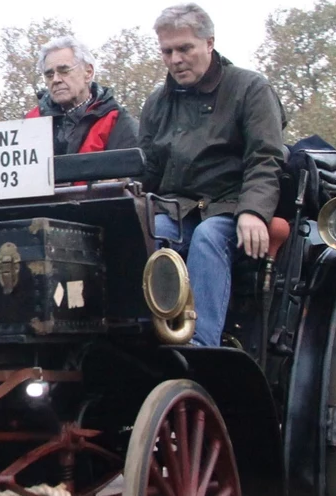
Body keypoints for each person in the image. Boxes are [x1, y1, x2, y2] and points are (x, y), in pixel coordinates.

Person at [139, 3, 285, 346]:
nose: (175, 59)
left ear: (209, 43)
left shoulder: (250, 88)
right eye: (167, 51)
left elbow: (266, 158)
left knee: (208, 237)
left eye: (184, 48)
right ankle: (141, 337)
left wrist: (253, 211)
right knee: (149, 234)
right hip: (176, 210)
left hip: (230, 209)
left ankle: (202, 344)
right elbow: (146, 169)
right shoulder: (157, 103)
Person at [25, 36, 138, 156]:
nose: (56, 79)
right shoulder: (31, 121)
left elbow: (138, 171)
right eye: (49, 75)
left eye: (64, 71)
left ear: (88, 72)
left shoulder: (116, 120)